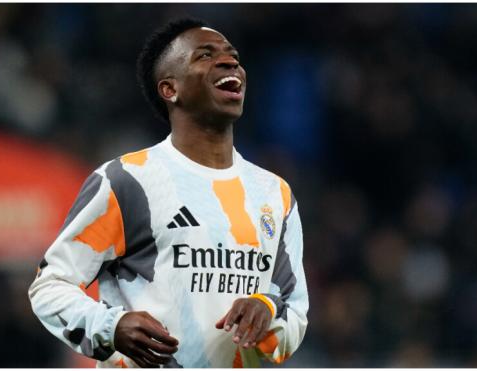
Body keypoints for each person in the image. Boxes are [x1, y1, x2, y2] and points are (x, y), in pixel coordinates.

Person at [28, 18, 308, 368]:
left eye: (233, 56)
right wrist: (110, 327)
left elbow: (294, 309)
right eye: (205, 55)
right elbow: (50, 285)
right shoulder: (126, 181)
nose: (229, 62)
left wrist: (267, 314)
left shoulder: (274, 194)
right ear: (169, 89)